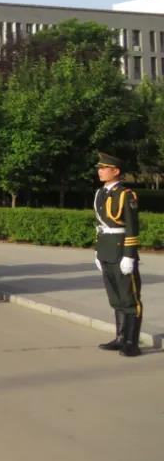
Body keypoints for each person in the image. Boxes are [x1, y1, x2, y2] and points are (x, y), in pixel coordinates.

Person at [93, 152, 143, 356]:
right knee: (115, 298)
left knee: (129, 299)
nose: (100, 171)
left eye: (104, 168)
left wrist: (129, 255)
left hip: (121, 251)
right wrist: (98, 251)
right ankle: (120, 338)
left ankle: (132, 342)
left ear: (116, 171)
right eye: (99, 168)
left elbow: (132, 227)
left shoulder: (126, 195)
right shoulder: (100, 193)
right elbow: (99, 226)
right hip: (106, 251)